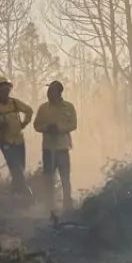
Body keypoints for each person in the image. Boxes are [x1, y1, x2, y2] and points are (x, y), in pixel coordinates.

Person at [0, 75, 34, 198]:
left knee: (20, 169)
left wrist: (24, 123)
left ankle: (13, 195)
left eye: (7, 90)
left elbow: (29, 110)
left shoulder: (15, 103)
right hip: (5, 142)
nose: (5, 93)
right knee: (16, 169)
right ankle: (27, 194)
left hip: (19, 141)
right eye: (3, 91)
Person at [32, 80, 77, 210]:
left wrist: (59, 128)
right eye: (48, 91)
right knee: (48, 178)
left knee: (65, 178)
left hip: (62, 148)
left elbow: (73, 124)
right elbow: (36, 125)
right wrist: (46, 128)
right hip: (47, 148)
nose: (49, 94)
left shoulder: (69, 107)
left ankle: (67, 204)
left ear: (59, 93)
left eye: (52, 91)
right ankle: (49, 206)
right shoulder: (43, 108)